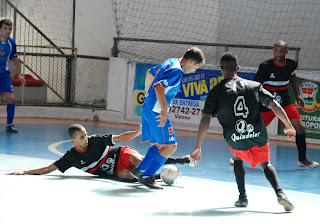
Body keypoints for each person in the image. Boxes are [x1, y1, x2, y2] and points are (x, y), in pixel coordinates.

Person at [191, 52, 295, 211]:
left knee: (237, 157)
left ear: (221, 69)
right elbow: (274, 105)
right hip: (257, 133)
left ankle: (242, 197)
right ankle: (281, 194)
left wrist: (198, 146)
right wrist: (288, 125)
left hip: (235, 136)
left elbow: (206, 119)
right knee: (265, 164)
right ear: (237, 68)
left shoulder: (216, 91)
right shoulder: (253, 86)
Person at [6, 124, 194, 181]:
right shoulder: (71, 156)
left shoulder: (95, 140)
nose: (86, 138)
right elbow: (49, 168)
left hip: (120, 154)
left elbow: (120, 138)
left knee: (139, 160)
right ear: (73, 141)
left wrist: (137, 132)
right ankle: (161, 175)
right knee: (127, 176)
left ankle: (179, 160)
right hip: (113, 171)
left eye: (86, 134)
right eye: (81, 137)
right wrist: (25, 171)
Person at [130, 47, 205, 189]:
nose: (195, 70)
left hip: (148, 108)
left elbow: (149, 73)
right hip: (157, 112)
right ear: (191, 61)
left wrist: (148, 96)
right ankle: (147, 177)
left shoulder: (171, 62)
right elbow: (159, 87)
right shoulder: (177, 71)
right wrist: (164, 110)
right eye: (196, 67)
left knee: (159, 144)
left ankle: (139, 170)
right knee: (171, 146)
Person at [252, 40, 318, 168]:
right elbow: (256, 85)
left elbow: (292, 76)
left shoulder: (291, 65)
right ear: (273, 50)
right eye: (276, 50)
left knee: (300, 127)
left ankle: (302, 159)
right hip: (267, 103)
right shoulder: (265, 66)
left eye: (281, 50)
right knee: (254, 130)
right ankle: (237, 156)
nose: (278, 53)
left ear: (286, 52)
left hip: (284, 102)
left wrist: (297, 95)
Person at [0, 19, 24, 133]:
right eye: (5, 28)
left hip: (4, 75)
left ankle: (9, 125)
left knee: (12, 98)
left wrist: (19, 74)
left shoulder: (11, 43)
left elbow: (15, 59)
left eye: (10, 29)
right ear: (0, 29)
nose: (8, 31)